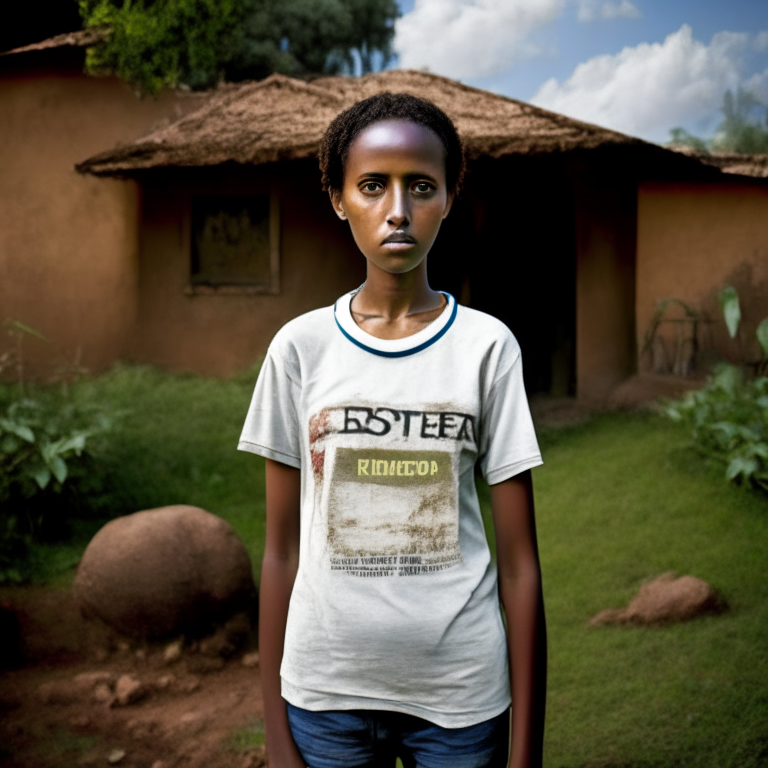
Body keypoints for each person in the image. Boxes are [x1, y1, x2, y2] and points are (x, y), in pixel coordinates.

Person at [238, 93, 547, 768]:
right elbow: (280, 552)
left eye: (422, 187)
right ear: (338, 197)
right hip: (325, 699)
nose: (398, 211)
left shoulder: (488, 348)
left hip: (461, 700)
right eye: (373, 186)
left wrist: (527, 749)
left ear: (449, 196)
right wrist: (274, 730)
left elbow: (520, 565)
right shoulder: (300, 349)